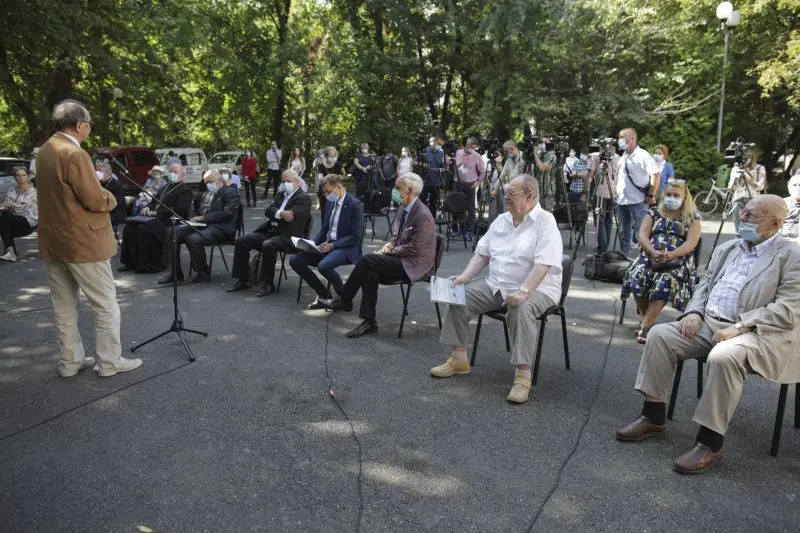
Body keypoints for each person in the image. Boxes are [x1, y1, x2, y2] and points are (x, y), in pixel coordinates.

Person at [617, 194, 800, 474]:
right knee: (661, 335)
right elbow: (704, 286)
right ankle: (653, 417)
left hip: (761, 332)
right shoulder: (730, 248)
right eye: (744, 212)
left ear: (774, 223)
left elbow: (789, 309)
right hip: (711, 322)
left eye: (753, 215)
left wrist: (739, 327)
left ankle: (709, 443)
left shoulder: (791, 255)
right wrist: (694, 313)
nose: (744, 218)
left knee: (726, 356)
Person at [430, 174, 563, 404]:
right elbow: (482, 254)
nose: (505, 197)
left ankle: (523, 377)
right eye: (506, 192)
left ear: (529, 196)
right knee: (457, 295)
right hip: (498, 285)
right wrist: (464, 277)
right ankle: (459, 359)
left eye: (511, 193)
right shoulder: (501, 220)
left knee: (521, 309)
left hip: (539, 287)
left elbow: (543, 264)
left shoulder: (545, 221)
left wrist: (524, 291)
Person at [35, 99, 142, 377]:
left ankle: (69, 362)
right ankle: (109, 362)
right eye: (89, 124)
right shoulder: (75, 154)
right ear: (80, 125)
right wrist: (109, 195)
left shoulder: (45, 150)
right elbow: (94, 200)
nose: (90, 128)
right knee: (105, 303)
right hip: (82, 241)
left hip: (54, 240)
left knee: (64, 305)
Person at [319, 173, 436, 338]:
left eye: (397, 187)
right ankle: (369, 322)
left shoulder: (422, 214)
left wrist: (389, 252)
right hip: (400, 259)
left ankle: (345, 298)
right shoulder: (404, 208)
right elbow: (396, 237)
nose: (393, 190)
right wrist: (387, 246)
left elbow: (416, 249)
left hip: (414, 264)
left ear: (409, 190)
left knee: (367, 260)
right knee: (370, 272)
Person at [621, 178, 702, 343]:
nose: (671, 198)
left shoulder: (692, 217)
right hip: (651, 256)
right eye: (669, 194)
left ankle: (644, 327)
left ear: (685, 197)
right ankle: (646, 320)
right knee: (637, 273)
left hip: (678, 261)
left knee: (666, 280)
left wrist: (671, 255)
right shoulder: (654, 213)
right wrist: (651, 251)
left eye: (676, 195)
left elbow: (692, 242)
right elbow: (642, 235)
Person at [226, 169, 310, 297]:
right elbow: (268, 210)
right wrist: (280, 213)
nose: (285, 183)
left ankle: (268, 283)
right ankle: (243, 279)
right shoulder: (280, 195)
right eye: (283, 181)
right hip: (271, 231)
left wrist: (277, 213)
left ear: (297, 182)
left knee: (268, 245)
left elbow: (290, 216)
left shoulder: (303, 198)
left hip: (289, 236)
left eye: (288, 181)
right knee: (242, 241)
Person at [289, 174, 364, 308]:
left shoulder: (354, 204)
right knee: (295, 260)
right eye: (325, 192)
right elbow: (324, 230)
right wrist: (311, 244)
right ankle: (324, 295)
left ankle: (344, 298)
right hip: (327, 245)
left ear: (339, 186)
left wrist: (333, 245)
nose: (327, 195)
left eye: (329, 191)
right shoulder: (329, 203)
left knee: (323, 266)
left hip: (346, 248)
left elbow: (356, 236)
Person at [158, 169, 241, 284]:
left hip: (222, 228)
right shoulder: (206, 194)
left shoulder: (230, 192)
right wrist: (192, 219)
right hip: (203, 225)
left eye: (210, 182)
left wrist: (203, 218)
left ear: (218, 179)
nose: (208, 185)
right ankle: (175, 273)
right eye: (205, 182)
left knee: (193, 239)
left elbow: (227, 214)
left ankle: (202, 271)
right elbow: (198, 212)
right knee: (172, 231)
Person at [119, 162, 192, 273]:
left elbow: (179, 210)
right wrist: (147, 208)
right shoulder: (165, 187)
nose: (172, 174)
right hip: (155, 217)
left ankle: (148, 265)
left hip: (170, 220)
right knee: (130, 227)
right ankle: (130, 262)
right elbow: (153, 202)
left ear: (182, 174)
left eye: (175, 172)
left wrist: (156, 212)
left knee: (148, 229)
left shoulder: (185, 190)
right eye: (171, 172)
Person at [616, 128, 661, 257]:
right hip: (622, 201)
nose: (619, 140)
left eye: (622, 137)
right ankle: (624, 257)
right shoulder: (624, 155)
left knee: (641, 232)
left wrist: (652, 194)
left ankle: (645, 259)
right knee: (624, 232)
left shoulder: (642, 155)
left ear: (632, 139)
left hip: (638, 201)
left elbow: (655, 173)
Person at [0, 167, 38, 262]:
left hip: (28, 219)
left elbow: (23, 206)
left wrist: (9, 205)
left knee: (3, 221)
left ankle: (11, 253)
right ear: (14, 177)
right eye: (18, 175)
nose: (21, 177)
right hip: (13, 218)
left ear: (27, 176)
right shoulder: (12, 189)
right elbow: (6, 204)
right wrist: (4, 206)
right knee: (3, 220)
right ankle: (11, 252)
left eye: (23, 175)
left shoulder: (32, 191)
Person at [588, 147, 620, 254]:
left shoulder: (596, 157)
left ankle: (603, 248)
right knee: (608, 220)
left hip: (600, 193)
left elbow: (590, 175)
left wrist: (586, 191)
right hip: (613, 193)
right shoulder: (616, 157)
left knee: (599, 220)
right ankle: (604, 246)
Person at [453, 137, 486, 239]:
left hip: (470, 184)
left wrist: (478, 182)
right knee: (457, 206)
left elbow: (482, 171)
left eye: (474, 147)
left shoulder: (477, 156)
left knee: (470, 208)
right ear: (466, 145)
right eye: (470, 146)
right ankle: (458, 229)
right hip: (458, 182)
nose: (471, 149)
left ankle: (469, 230)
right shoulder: (458, 153)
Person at [727, 148, 767, 231]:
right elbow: (730, 187)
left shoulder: (760, 168)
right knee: (738, 229)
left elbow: (760, 187)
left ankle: (750, 244)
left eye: (746, 158)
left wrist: (747, 178)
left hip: (753, 201)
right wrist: (735, 178)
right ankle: (739, 243)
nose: (743, 161)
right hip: (738, 200)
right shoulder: (735, 168)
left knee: (751, 229)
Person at [491, 140, 525, 219]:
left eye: (506, 151)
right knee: (511, 215)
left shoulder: (524, 159)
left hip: (522, 192)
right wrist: (495, 190)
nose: (505, 153)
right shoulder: (509, 160)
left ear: (512, 148)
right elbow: (502, 176)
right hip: (511, 192)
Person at [95, 160, 126, 227]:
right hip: (101, 210)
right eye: (96, 170)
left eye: (99, 170)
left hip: (114, 212)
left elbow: (117, 204)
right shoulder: (97, 183)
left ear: (107, 172)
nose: (96, 172)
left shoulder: (116, 185)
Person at [421, 137, 444, 218]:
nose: (433, 143)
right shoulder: (425, 151)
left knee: (433, 202)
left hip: (436, 181)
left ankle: (432, 219)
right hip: (426, 180)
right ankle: (423, 218)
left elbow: (441, 164)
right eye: (431, 141)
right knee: (423, 201)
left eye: (434, 141)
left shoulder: (440, 152)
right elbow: (419, 163)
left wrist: (443, 167)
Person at [315, 147, 343, 214]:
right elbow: (321, 179)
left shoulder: (337, 165)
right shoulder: (321, 165)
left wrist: (331, 177)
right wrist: (332, 177)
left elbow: (341, 177)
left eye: (334, 156)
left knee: (335, 213)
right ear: (326, 156)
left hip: (335, 191)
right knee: (325, 213)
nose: (333, 158)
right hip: (325, 191)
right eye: (331, 156)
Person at [533, 137, 557, 211]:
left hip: (548, 192)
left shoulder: (551, 155)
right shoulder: (541, 156)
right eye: (540, 143)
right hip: (539, 192)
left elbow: (543, 168)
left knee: (548, 216)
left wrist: (535, 155)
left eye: (544, 142)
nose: (542, 145)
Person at [564, 147, 590, 212]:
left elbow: (585, 175)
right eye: (582, 153)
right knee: (571, 209)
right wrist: (577, 174)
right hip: (573, 189)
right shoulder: (576, 162)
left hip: (582, 191)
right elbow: (572, 174)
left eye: (585, 154)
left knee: (581, 210)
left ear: (587, 155)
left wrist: (577, 174)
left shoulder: (588, 163)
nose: (583, 155)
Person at [782, 173, 800, 239]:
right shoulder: (782, 203)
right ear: (789, 187)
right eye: (794, 185)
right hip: (781, 239)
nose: (797, 188)